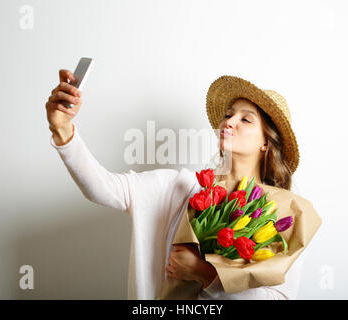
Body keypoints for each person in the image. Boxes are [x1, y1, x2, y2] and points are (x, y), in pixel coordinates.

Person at [45, 71, 320, 299]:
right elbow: (105, 188)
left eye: (245, 119)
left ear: (265, 143)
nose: (229, 122)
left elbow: (279, 298)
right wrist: (63, 129)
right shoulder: (183, 187)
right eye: (228, 114)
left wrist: (207, 275)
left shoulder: (285, 212)